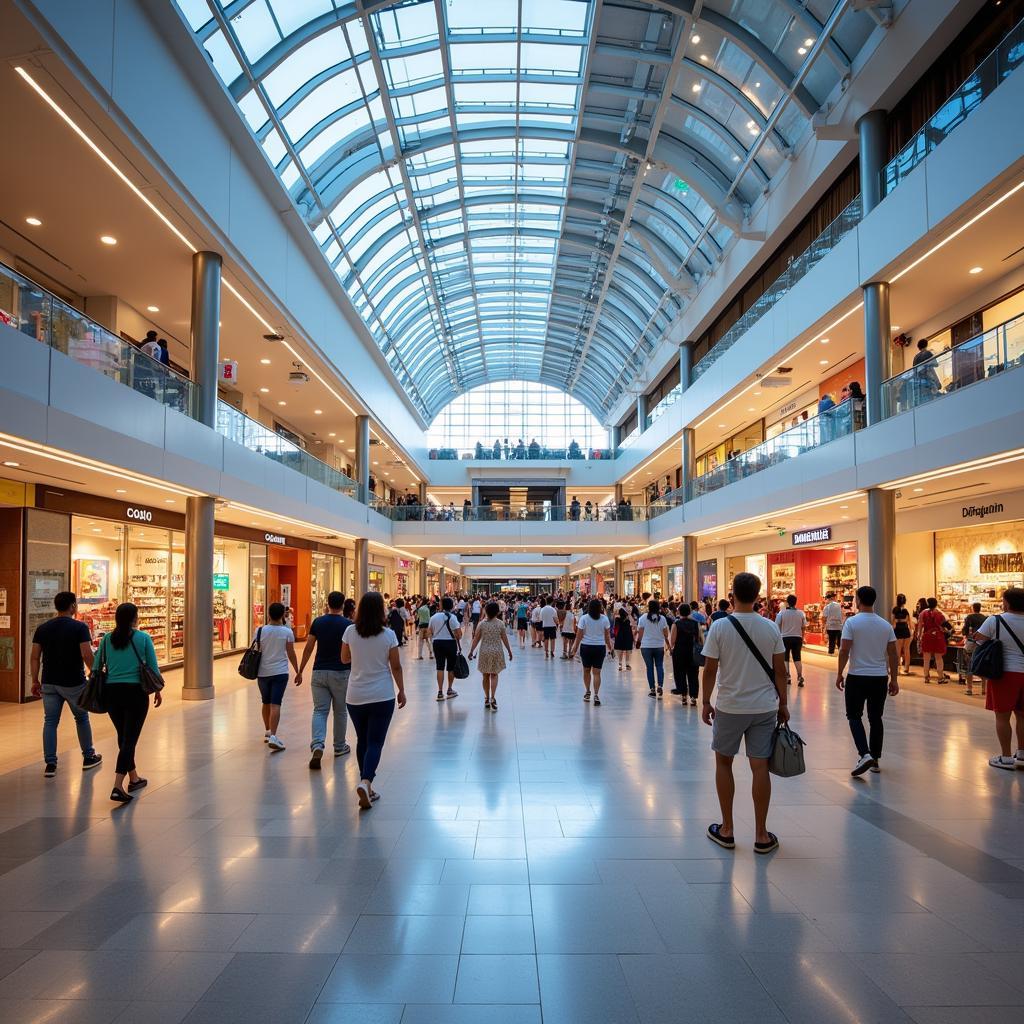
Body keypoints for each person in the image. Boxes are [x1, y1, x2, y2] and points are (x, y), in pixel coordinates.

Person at [700, 572, 788, 854]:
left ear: (732, 594)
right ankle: (761, 835)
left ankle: (727, 830)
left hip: (730, 706)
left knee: (724, 763)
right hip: (764, 707)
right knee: (760, 766)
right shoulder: (770, 628)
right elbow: (781, 671)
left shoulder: (720, 627)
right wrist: (783, 704)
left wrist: (705, 701)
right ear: (758, 595)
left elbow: (711, 669)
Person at [342, 592, 406, 809]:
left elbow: (344, 658)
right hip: (381, 695)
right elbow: (395, 666)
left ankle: (366, 786)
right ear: (381, 610)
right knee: (376, 741)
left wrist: (359, 656)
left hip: (355, 695)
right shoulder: (388, 635)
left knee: (362, 740)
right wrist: (402, 690)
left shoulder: (350, 631)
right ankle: (366, 781)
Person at [94, 602, 163, 802]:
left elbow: (97, 665)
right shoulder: (142, 638)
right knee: (130, 739)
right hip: (136, 694)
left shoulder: (107, 639)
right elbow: (153, 667)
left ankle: (134, 778)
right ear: (135, 618)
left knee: (124, 736)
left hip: (112, 693)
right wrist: (157, 690)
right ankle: (117, 785)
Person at [30, 591, 102, 777]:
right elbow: (86, 654)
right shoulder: (79, 627)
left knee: (50, 721)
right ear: (72, 606)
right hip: (73, 682)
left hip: (49, 682)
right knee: (81, 718)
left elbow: (35, 657)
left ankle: (51, 764)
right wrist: (95, 674)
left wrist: (35, 680)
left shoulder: (43, 628)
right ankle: (88, 756)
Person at [836, 585, 899, 777]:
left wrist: (839, 673)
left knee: (854, 716)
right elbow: (893, 653)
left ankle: (864, 753)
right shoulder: (885, 625)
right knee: (875, 718)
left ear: (857, 600)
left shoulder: (852, 623)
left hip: (857, 676)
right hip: (879, 677)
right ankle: (876, 759)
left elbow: (845, 649)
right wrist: (894, 679)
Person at [296, 591, 353, 770]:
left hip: (319, 671)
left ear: (327, 604)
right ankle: (339, 746)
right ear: (343, 605)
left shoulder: (318, 622)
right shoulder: (348, 625)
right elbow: (352, 651)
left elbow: (308, 648)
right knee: (340, 711)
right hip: (341, 673)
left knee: (320, 711)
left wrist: (300, 670)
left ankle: (318, 745)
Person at [972, 587, 1024, 770]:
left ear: (1007, 602)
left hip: (1005, 673)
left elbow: (977, 641)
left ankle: (1006, 757)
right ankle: (1022, 754)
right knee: (1022, 715)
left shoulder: (996, 620)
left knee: (1002, 716)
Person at [254, 602, 299, 751]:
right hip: (280, 672)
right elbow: (291, 653)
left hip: (262, 672)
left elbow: (256, 649)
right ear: (283, 615)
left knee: (265, 702)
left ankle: (267, 730)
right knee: (276, 704)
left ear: (268, 614)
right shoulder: (287, 632)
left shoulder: (259, 630)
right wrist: (298, 670)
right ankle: (273, 735)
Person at [470, 600, 513, 710]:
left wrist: (471, 651)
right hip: (497, 651)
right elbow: (504, 639)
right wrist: (509, 651)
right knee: (494, 675)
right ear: (497, 612)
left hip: (484, 651)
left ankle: (486, 698)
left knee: (485, 675)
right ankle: (493, 698)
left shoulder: (482, 624)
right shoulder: (500, 624)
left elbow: (476, 639)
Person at [571, 598, 613, 705]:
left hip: (586, 647)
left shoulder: (584, 618)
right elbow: (607, 637)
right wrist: (611, 648)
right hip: (600, 648)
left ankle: (587, 691)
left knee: (586, 670)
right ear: (600, 608)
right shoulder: (604, 619)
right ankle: (596, 695)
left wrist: (575, 647)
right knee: (597, 673)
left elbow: (579, 635)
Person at [430, 596, 462, 701]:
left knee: (440, 667)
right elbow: (459, 634)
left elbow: (429, 632)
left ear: (441, 605)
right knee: (450, 667)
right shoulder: (453, 617)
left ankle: (440, 692)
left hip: (437, 643)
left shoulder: (434, 617)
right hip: (450, 643)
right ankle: (449, 689)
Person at [637, 599, 670, 698]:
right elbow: (666, 634)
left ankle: (652, 689)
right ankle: (660, 685)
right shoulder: (662, 619)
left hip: (646, 646)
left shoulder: (642, 618)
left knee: (649, 667)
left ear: (649, 607)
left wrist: (638, 642)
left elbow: (640, 633)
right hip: (659, 646)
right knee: (659, 666)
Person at [669, 604, 702, 706]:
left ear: (679, 612)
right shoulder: (696, 624)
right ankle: (693, 697)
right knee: (693, 674)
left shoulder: (676, 624)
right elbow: (700, 639)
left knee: (680, 673)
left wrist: (671, 649)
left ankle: (683, 695)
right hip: (692, 653)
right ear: (690, 612)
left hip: (679, 652)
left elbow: (673, 640)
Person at [775, 594, 807, 687]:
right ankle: (800, 676)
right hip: (797, 638)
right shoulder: (801, 613)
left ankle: (788, 677)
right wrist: (802, 637)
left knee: (786, 658)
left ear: (787, 602)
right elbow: (803, 627)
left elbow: (777, 626)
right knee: (797, 658)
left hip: (784, 638)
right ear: (795, 602)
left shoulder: (781, 613)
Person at [917, 597, 949, 683]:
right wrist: (945, 631)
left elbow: (920, 626)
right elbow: (945, 628)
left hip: (927, 636)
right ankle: (940, 677)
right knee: (938, 658)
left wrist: (919, 637)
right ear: (936, 604)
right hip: (938, 637)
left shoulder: (923, 613)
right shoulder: (940, 614)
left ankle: (926, 677)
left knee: (926, 658)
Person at [962, 602, 987, 697]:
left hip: (971, 642)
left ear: (973, 608)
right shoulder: (985, 618)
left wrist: (965, 634)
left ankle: (969, 688)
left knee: (969, 665)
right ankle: (984, 689)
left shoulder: (969, 617)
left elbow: (965, 629)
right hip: (982, 643)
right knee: (983, 665)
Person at [891, 593, 913, 676]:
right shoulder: (906, 610)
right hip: (906, 630)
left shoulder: (894, 609)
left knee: (898, 650)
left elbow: (892, 621)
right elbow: (908, 621)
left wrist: (897, 621)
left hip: (898, 631)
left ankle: (897, 669)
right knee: (907, 650)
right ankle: (906, 668)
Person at [613, 605, 634, 671]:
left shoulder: (617, 619)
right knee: (627, 650)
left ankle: (620, 664)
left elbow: (615, 626)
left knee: (620, 650)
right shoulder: (628, 620)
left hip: (619, 636)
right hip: (628, 635)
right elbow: (633, 624)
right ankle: (627, 664)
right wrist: (629, 614)